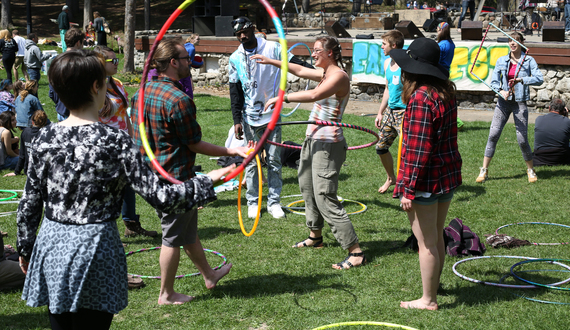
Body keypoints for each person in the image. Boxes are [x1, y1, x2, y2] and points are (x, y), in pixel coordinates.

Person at [16, 48, 235, 330]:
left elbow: (30, 200)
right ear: (97, 86)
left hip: (52, 243)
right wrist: (209, 179)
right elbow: (163, 198)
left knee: (61, 323)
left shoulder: (44, 137)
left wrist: (25, 246)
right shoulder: (115, 141)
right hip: (95, 248)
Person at [131, 38, 250, 305]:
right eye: (186, 58)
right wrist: (233, 151)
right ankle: (166, 294)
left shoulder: (140, 92)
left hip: (150, 173)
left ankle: (209, 274)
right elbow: (194, 143)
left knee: (187, 230)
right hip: (175, 177)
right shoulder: (179, 99)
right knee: (172, 236)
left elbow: (136, 133)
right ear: (173, 62)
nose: (191, 63)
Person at [253, 36, 367, 270]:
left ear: (330, 53)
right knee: (306, 188)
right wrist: (271, 61)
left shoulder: (338, 77)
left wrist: (281, 98)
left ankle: (355, 252)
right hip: (311, 140)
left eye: (317, 51)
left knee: (325, 195)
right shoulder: (325, 74)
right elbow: (300, 70)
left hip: (328, 144)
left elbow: (315, 95)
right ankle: (315, 237)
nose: (312, 55)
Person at [390, 37, 462, 310]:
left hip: (427, 181)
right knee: (435, 234)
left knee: (426, 242)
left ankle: (428, 299)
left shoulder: (421, 98)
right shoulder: (444, 93)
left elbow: (419, 151)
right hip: (445, 176)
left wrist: (407, 188)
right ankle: (434, 286)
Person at [94, 45, 157, 237]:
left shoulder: (118, 83)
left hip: (124, 142)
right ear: (99, 63)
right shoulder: (94, 88)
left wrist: (132, 141)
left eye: (117, 60)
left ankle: (131, 224)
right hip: (105, 146)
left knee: (128, 184)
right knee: (109, 191)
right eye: (111, 61)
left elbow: (125, 114)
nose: (116, 63)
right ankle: (107, 233)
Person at [229, 16, 287, 219]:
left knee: (274, 160)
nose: (243, 36)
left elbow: (291, 64)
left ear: (252, 29)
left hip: (272, 116)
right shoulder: (235, 57)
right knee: (252, 161)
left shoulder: (272, 48)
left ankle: (274, 202)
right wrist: (237, 119)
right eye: (238, 34)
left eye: (245, 31)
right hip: (249, 119)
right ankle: (253, 202)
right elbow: (234, 90)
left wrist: (317, 70)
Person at [476, 32, 543, 183]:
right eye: (510, 41)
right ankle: (484, 170)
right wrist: (501, 91)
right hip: (503, 102)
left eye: (516, 41)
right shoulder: (502, 60)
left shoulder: (528, 60)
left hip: (519, 103)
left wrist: (521, 79)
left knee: (522, 139)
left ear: (521, 43)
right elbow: (494, 82)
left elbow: (539, 79)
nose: (513, 44)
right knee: (493, 134)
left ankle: (530, 170)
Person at [374, 30, 407, 194]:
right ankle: (391, 178)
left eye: (384, 44)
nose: (381, 47)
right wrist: (380, 112)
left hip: (404, 113)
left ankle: (404, 184)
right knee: (381, 147)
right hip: (390, 112)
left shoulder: (407, 65)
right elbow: (387, 89)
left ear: (394, 46)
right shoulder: (387, 63)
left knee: (406, 152)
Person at [50, 28, 85, 122]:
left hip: (61, 111)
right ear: (78, 42)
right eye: (83, 43)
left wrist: (59, 103)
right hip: (78, 113)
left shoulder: (56, 61)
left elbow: (51, 90)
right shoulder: (82, 62)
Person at [4, 110, 48, 177]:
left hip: (28, 170)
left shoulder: (25, 132)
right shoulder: (47, 134)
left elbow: (22, 155)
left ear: (32, 121)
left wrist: (16, 172)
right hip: (42, 170)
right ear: (45, 122)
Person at [533, 98, 570, 166]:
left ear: (549, 108)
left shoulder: (539, 119)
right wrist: (566, 117)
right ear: (563, 110)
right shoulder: (567, 121)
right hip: (561, 157)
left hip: (540, 157)